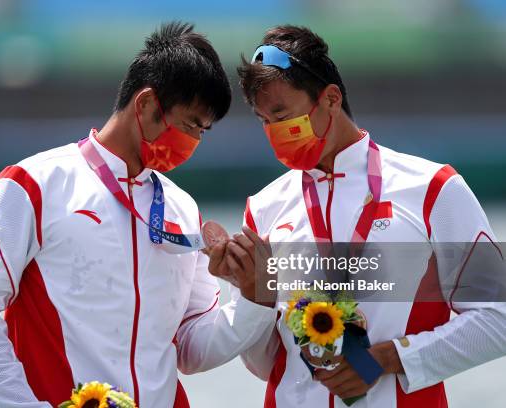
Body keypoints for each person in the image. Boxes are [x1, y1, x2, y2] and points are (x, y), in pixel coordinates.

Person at [0, 22, 277, 408]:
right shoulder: (34, 184)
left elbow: (190, 348)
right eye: (190, 125)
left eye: (202, 132)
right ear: (147, 105)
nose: (194, 143)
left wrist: (255, 298)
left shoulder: (183, 208)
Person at [209, 25, 506, 407]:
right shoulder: (264, 207)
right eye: (264, 120)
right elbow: (268, 363)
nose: (275, 132)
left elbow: (498, 320)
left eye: (282, 114)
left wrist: (389, 358)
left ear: (331, 98)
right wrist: (255, 297)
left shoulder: (433, 188)